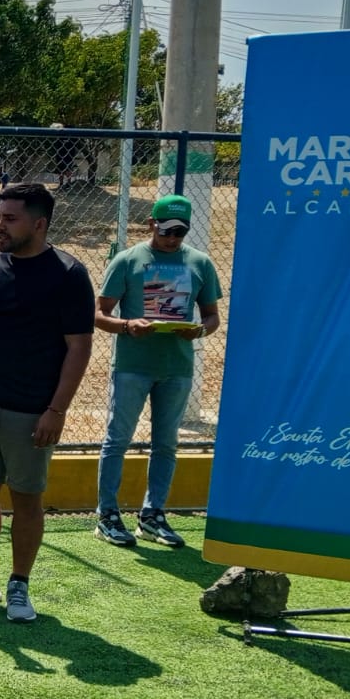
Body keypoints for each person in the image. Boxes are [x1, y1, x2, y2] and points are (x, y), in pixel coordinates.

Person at [0, 182, 95, 623]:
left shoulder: (68, 273)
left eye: (10, 218)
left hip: (33, 411)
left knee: (27, 499)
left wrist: (56, 410)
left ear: (39, 223)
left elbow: (79, 348)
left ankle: (20, 586)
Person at [93, 195, 222, 549]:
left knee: (166, 443)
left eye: (180, 232)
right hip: (132, 366)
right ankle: (107, 516)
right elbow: (99, 314)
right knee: (117, 440)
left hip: (177, 367)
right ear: (151, 223)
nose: (172, 238)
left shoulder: (200, 263)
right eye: (166, 230)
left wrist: (200, 330)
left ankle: (152, 516)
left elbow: (212, 316)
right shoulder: (127, 260)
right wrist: (127, 325)